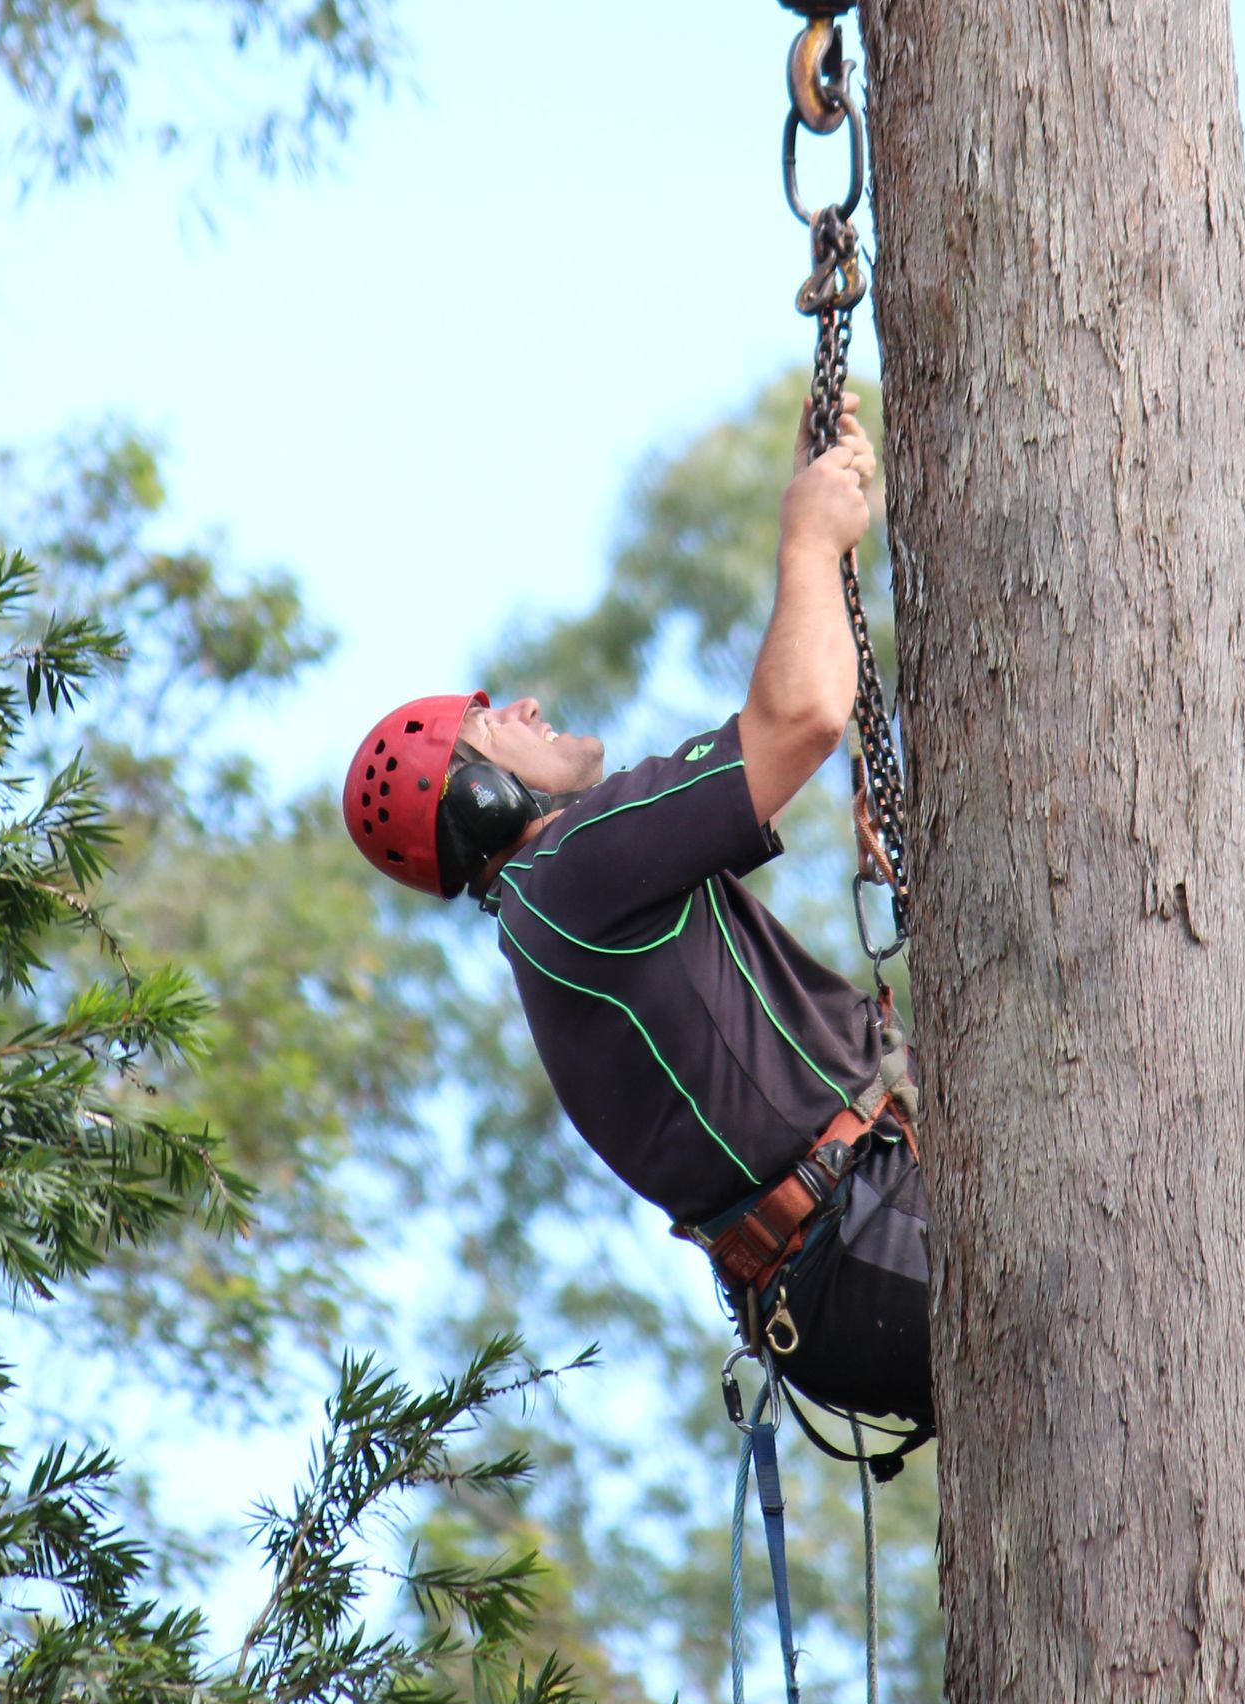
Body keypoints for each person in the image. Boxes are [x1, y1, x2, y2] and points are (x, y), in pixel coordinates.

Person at [341, 389, 931, 1431]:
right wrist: (805, 537)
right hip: (864, 1238)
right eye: (491, 724)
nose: (523, 706)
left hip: (845, 1263)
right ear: (480, 799)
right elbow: (801, 716)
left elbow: (805, 698)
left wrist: (818, 531)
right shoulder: (570, 871)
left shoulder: (553, 917)